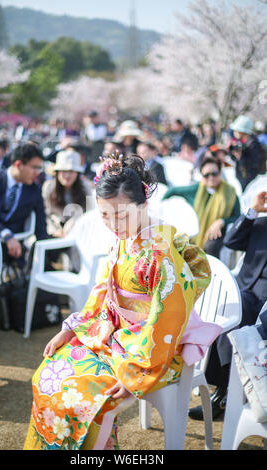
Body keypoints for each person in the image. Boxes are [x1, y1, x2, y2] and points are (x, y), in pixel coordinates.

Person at [23, 153, 219, 451]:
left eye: (122, 215)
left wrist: (136, 374)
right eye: (105, 216)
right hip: (120, 335)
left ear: (144, 205)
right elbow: (103, 290)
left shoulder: (160, 252)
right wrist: (74, 328)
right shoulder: (124, 239)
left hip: (156, 350)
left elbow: (166, 319)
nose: (114, 225)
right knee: (48, 373)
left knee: (80, 394)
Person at [189, 190, 267, 421]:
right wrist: (253, 211)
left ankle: (227, 393)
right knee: (226, 306)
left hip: (264, 299)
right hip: (243, 288)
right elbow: (231, 240)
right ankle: (223, 389)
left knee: (236, 307)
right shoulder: (261, 222)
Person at [0, 143, 48, 265]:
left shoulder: (34, 190)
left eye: (39, 168)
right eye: (35, 167)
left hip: (15, 251)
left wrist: (44, 258)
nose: (37, 173)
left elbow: (41, 225)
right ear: (19, 164)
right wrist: (7, 235)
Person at [162, 157, 241, 258]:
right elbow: (172, 191)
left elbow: (238, 217)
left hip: (219, 234)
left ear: (220, 173)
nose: (211, 177)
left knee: (210, 246)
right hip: (195, 232)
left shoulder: (230, 193)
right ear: (201, 176)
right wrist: (161, 208)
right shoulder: (195, 190)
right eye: (206, 175)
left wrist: (222, 222)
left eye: (214, 173)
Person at [42, 149, 95, 272]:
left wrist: (74, 225)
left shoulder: (85, 188)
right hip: (53, 232)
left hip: (78, 233)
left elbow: (90, 213)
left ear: (77, 173)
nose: (67, 175)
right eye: (63, 171)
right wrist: (56, 231)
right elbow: (45, 213)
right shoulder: (49, 187)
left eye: (71, 171)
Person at [229, 115, 263, 191]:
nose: (234, 132)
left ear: (241, 132)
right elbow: (233, 158)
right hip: (243, 178)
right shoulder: (242, 143)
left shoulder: (254, 145)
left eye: (236, 130)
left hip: (250, 182)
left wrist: (241, 157)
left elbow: (252, 165)